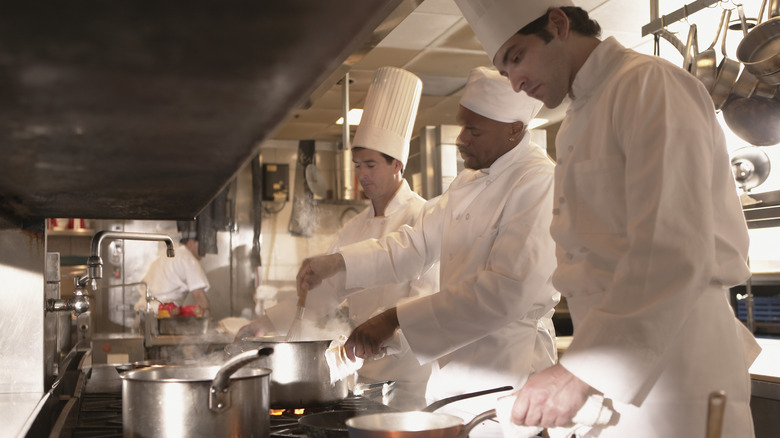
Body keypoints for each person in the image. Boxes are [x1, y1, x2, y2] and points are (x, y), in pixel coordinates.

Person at [453, 0, 762, 436]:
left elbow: (670, 249)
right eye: (505, 71)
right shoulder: (578, 116)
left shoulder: (650, 85)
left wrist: (578, 372)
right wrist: (583, 367)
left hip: (680, 369)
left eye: (517, 57)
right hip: (614, 366)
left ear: (558, 24)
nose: (517, 83)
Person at [297, 66, 560, 426]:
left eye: (474, 130)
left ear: (514, 129)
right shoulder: (467, 181)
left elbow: (504, 292)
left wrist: (392, 319)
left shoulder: (539, 182)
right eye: (462, 125)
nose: (461, 138)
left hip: (508, 374)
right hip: (453, 376)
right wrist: (336, 263)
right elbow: (413, 245)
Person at [236, 67, 439, 402]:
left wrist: (366, 346)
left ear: (397, 165)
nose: (362, 175)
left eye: (371, 165)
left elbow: (423, 304)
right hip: (362, 379)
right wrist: (265, 322)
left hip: (409, 383)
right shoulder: (354, 227)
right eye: (358, 165)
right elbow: (324, 293)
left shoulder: (422, 216)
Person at [135, 232, 212, 318]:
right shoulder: (187, 258)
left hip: (143, 313)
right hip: (162, 316)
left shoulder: (169, 253)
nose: (206, 250)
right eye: (203, 245)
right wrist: (207, 324)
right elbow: (200, 297)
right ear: (191, 242)